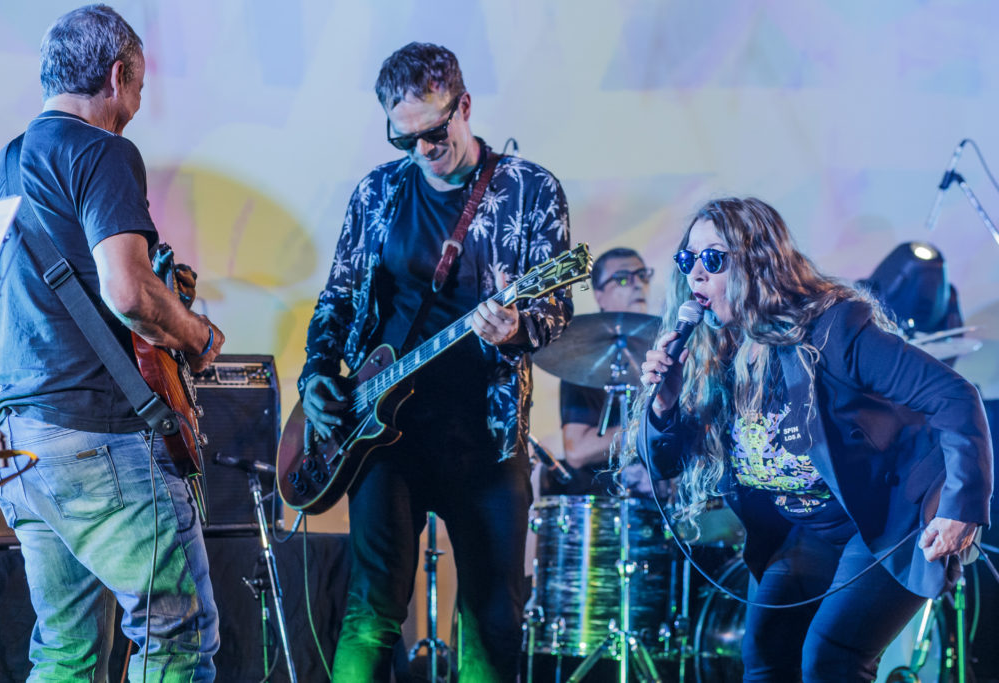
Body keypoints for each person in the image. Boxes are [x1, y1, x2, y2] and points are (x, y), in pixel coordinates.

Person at [298, 42, 571, 681]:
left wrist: (516, 329)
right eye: (405, 139)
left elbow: (555, 310)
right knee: (370, 614)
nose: (422, 150)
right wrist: (316, 372)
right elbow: (338, 297)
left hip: (487, 437)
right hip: (380, 438)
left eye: (434, 132)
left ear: (465, 106)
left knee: (493, 620)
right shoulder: (377, 191)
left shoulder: (529, 190)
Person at [633, 197, 992, 681]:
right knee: (764, 655)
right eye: (687, 259)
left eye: (712, 258)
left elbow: (954, 395)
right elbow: (665, 466)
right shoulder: (716, 351)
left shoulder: (834, 329)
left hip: (890, 516)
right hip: (809, 527)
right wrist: (664, 403)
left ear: (757, 263)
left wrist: (962, 506)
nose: (695, 274)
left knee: (831, 658)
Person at [0, 5, 223, 680]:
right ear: (118, 74)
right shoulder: (101, 150)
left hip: (20, 446)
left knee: (66, 646)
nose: (138, 106)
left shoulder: (1, 169)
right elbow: (131, 292)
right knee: (177, 634)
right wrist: (199, 335)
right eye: (140, 88)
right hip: (97, 438)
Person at [543, 247, 657, 496]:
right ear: (599, 295)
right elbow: (577, 452)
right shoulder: (584, 362)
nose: (638, 285)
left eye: (642, 275)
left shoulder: (664, 351)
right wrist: (647, 429)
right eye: (623, 278)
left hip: (662, 506)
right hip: (604, 508)